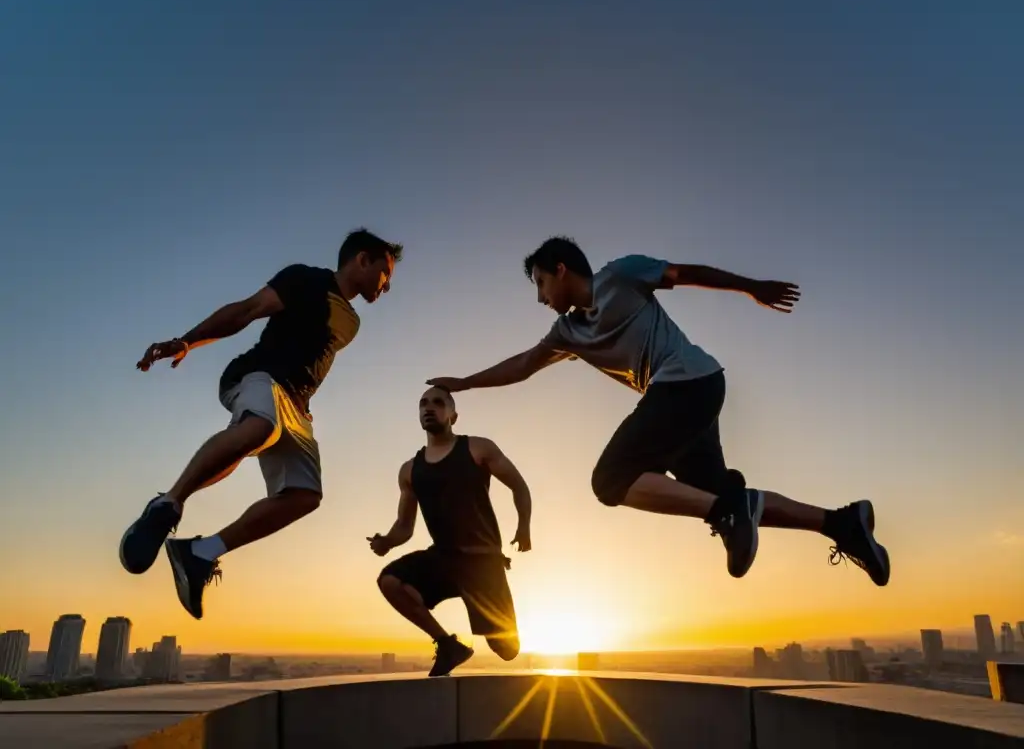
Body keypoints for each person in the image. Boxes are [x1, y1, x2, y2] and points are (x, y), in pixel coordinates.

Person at [426, 236, 889, 586]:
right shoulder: (566, 332)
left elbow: (686, 273)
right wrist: (465, 384)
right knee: (718, 500)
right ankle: (841, 523)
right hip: (683, 406)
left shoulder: (620, 276)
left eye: (542, 284)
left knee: (609, 480)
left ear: (561, 270)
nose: (541, 297)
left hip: (690, 383)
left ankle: (730, 510)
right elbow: (523, 365)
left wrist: (750, 287)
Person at [121, 228, 403, 620]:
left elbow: (314, 362)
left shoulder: (352, 323)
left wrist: (305, 405)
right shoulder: (306, 279)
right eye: (385, 274)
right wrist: (187, 341)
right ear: (362, 259)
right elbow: (247, 310)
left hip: (296, 404)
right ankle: (168, 503)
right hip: (258, 376)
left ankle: (199, 554)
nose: (386, 286)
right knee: (261, 428)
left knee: (304, 495)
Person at [368, 386, 532, 677]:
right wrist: (387, 542)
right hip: (443, 557)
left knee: (507, 651)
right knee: (390, 582)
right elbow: (405, 526)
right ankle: (447, 644)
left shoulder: (478, 448)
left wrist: (523, 527)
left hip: (483, 563)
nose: (429, 408)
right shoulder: (409, 470)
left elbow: (519, 486)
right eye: (423, 404)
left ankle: (496, 624)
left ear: (453, 415)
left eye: (438, 403)